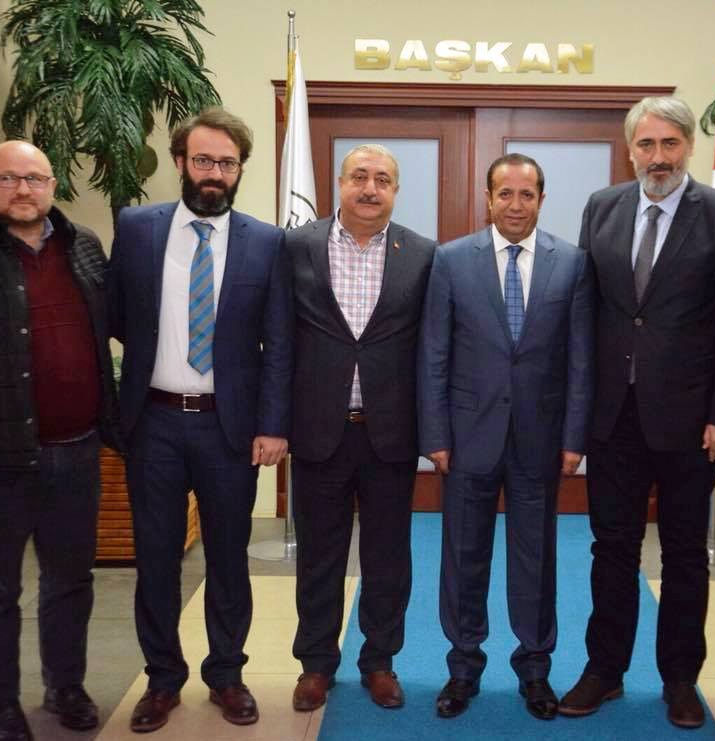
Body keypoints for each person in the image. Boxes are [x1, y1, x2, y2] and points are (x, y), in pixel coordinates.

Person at [559, 97, 715, 729]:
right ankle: (604, 671)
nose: (658, 157)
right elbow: (589, 311)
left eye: (670, 143)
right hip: (614, 417)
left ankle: (679, 679)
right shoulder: (603, 207)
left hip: (692, 421)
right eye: (646, 145)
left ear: (689, 147)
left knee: (684, 555)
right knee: (611, 550)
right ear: (630, 151)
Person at [106, 108, 292, 732]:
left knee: (229, 559)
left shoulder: (266, 242)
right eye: (204, 160)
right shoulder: (137, 228)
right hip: (154, 423)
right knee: (156, 559)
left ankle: (227, 675)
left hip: (227, 428)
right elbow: (114, 316)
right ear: (181, 162)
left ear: (241, 170)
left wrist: (273, 424)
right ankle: (162, 680)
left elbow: (278, 341)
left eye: (227, 163)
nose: (215, 173)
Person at [418, 153, 595, 721]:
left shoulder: (572, 263)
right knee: (462, 557)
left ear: (541, 200)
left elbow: (581, 360)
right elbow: (434, 353)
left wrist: (574, 438)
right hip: (467, 438)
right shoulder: (451, 260)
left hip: (540, 439)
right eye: (505, 194)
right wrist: (435, 434)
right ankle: (463, 668)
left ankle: (535, 670)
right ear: (488, 198)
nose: (515, 205)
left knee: (535, 560)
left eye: (527, 194)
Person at [0, 141, 122, 741]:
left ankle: (65, 686)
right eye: (8, 178)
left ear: (53, 185)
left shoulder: (84, 246)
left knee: (71, 582)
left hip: (77, 449)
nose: (23, 190)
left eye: (34, 178)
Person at [285, 144, 435, 712]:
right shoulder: (296, 246)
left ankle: (379, 662)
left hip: (389, 433)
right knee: (318, 556)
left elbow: (432, 349)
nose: (371, 189)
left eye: (383, 180)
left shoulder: (422, 254)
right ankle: (316, 664)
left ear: (396, 191)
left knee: (388, 558)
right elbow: (278, 337)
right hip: (318, 430)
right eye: (360, 177)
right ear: (340, 182)